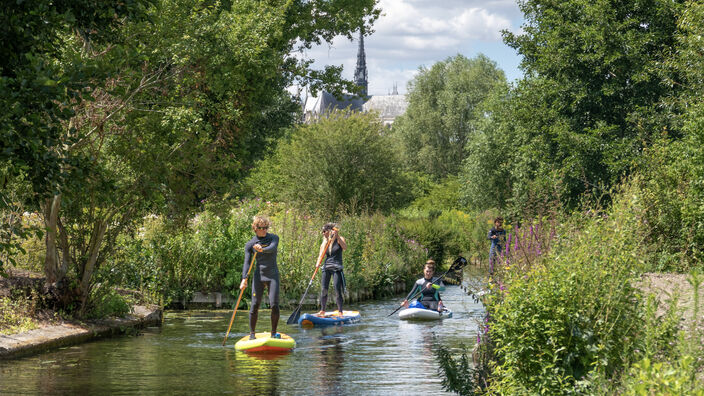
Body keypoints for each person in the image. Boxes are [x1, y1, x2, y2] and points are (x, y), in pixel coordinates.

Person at [240, 215, 280, 339]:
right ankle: (252, 335)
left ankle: (273, 333)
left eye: (266, 228)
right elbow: (247, 262)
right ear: (255, 228)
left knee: (274, 304)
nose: (264, 230)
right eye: (261, 228)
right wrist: (244, 279)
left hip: (272, 275)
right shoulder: (250, 244)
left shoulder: (274, 238)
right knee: (255, 305)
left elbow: (272, 248)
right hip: (259, 276)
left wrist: (262, 249)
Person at [317, 223, 347, 316]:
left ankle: (340, 311)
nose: (323, 233)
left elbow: (345, 247)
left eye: (324, 231)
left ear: (330, 231)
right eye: (322, 231)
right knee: (324, 289)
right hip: (327, 267)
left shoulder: (340, 239)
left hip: (337, 268)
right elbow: (320, 255)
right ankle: (322, 310)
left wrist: (337, 236)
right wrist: (317, 263)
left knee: (337, 289)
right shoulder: (324, 242)